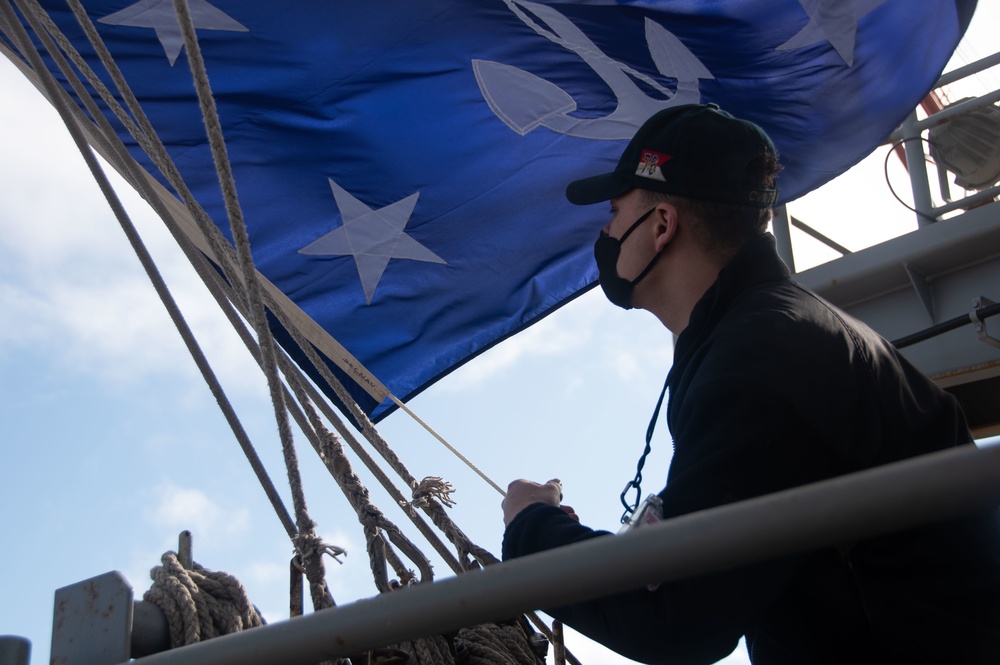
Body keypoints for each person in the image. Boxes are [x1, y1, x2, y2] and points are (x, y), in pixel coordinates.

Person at [501, 104, 1000, 664]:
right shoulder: (779, 331)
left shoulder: (758, 358)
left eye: (616, 212)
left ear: (662, 226)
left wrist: (530, 526)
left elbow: (675, 614)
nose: (606, 231)